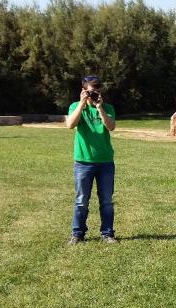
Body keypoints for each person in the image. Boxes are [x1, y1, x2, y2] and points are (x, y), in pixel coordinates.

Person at [66, 75, 117, 245]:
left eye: (97, 90)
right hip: (83, 162)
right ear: (83, 91)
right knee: (81, 200)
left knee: (106, 201)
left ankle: (107, 234)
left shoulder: (107, 107)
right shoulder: (75, 106)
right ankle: (77, 234)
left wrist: (100, 108)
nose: (94, 94)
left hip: (105, 162)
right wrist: (81, 104)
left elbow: (111, 126)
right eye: (90, 91)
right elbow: (70, 125)